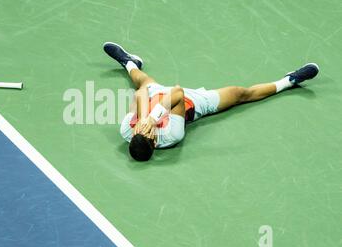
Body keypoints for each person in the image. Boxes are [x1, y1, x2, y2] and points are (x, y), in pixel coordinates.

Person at [103, 42, 319, 161]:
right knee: (240, 94)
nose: (143, 130)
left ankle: (130, 62)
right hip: (192, 101)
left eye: (138, 132)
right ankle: (290, 80)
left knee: (142, 80)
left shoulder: (127, 130)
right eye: (147, 133)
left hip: (154, 97)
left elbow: (140, 94)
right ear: (154, 142)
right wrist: (152, 119)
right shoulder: (171, 135)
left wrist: (143, 118)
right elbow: (177, 94)